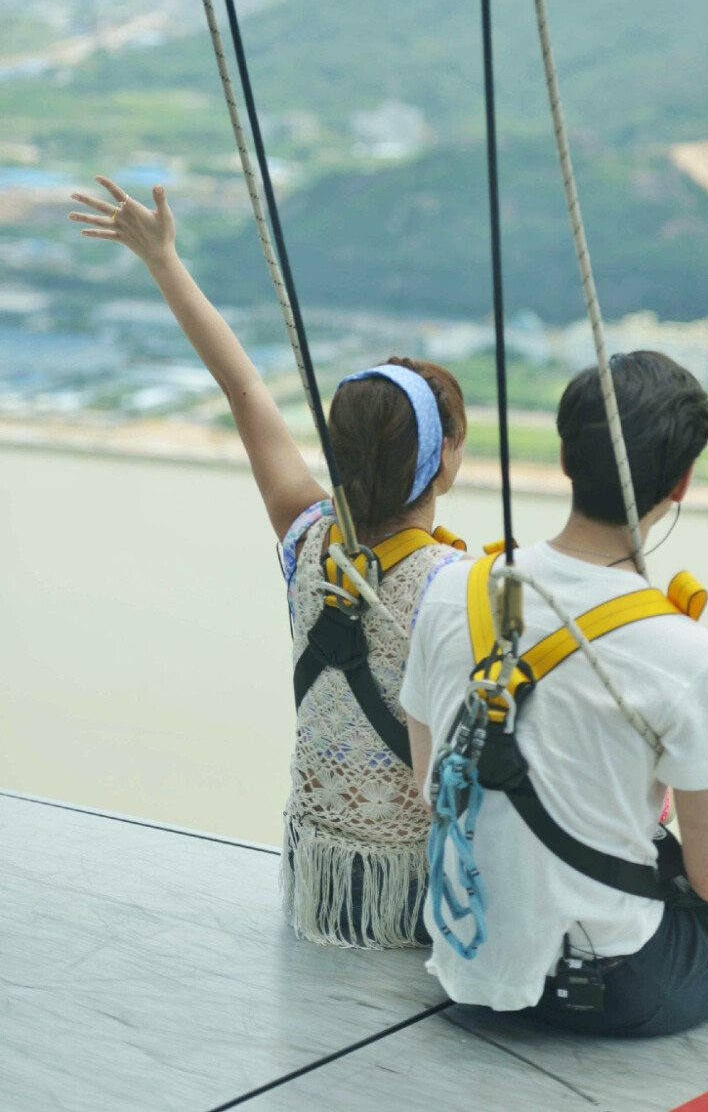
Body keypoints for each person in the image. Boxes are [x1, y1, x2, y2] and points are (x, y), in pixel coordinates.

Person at [402, 350, 708, 1034]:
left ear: (565, 457)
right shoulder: (688, 653)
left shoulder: (454, 590)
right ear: (682, 481)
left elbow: (430, 784)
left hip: (467, 956)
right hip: (612, 983)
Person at [68, 177, 467, 947]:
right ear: (441, 461)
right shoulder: (456, 587)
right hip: (409, 899)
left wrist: (163, 261)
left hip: (314, 884)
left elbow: (244, 386)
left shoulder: (309, 536)